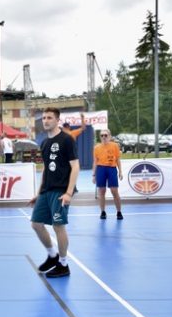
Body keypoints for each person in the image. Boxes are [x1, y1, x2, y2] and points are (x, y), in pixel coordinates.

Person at [30, 107, 80, 278]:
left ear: (57, 120)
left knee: (58, 226)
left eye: (49, 117)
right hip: (46, 190)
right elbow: (45, 169)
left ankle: (64, 264)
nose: (45, 120)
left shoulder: (67, 140)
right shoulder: (44, 143)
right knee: (36, 224)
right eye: (43, 118)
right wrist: (38, 192)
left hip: (61, 190)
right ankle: (52, 255)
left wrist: (69, 192)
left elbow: (75, 167)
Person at [92, 129, 123, 220]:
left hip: (111, 168)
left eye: (105, 135)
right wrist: (93, 174)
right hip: (101, 169)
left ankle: (119, 211)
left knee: (114, 191)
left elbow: (118, 160)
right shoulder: (96, 147)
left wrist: (120, 171)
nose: (104, 137)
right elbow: (95, 161)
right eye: (102, 135)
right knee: (101, 191)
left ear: (109, 136)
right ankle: (103, 211)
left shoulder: (115, 146)